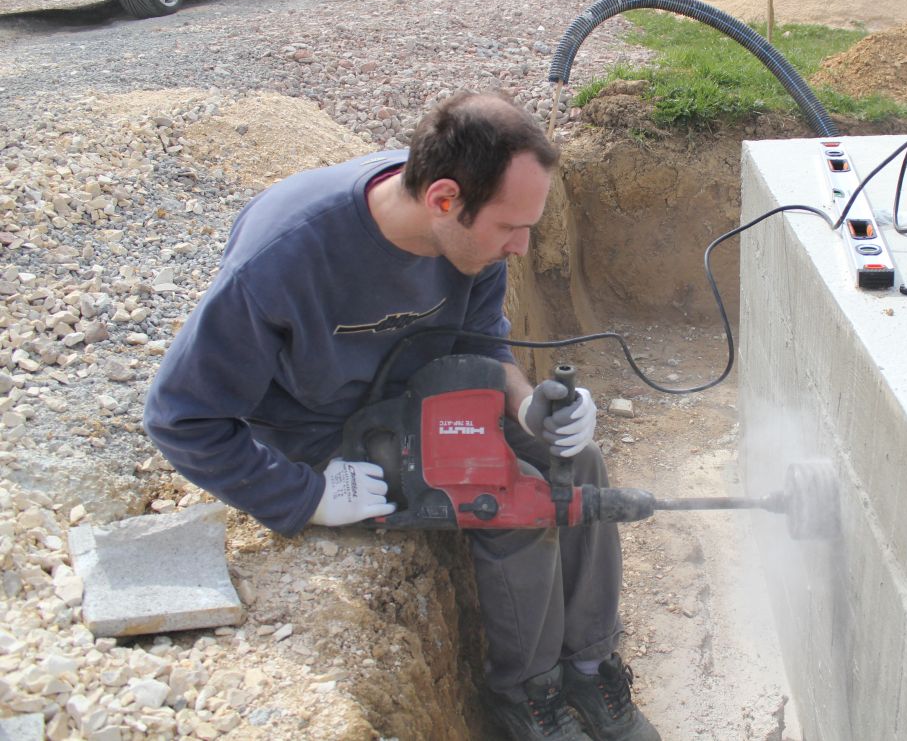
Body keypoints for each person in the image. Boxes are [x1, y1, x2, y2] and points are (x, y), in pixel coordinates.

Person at [143, 92, 660, 741]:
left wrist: (529, 402)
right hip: (329, 438)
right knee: (510, 496)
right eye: (510, 227)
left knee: (576, 460)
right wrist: (305, 496)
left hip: (420, 400)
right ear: (444, 199)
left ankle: (589, 664)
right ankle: (525, 694)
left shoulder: (473, 239)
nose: (523, 248)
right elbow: (178, 415)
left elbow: (481, 344)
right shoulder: (284, 259)